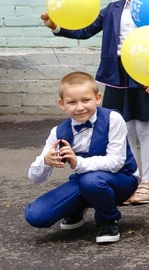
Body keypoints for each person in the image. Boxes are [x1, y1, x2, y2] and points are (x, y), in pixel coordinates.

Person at [41, 0, 149, 205]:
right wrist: (57, 27)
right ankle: (133, 177)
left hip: (145, 71)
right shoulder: (112, 9)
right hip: (116, 74)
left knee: (143, 127)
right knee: (124, 126)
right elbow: (86, 30)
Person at [24, 71, 139, 244]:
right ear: (61, 104)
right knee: (36, 216)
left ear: (98, 98)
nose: (79, 107)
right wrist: (46, 162)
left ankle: (108, 220)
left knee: (91, 181)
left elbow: (116, 162)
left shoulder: (113, 118)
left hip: (122, 180)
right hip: (86, 181)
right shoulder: (58, 132)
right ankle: (76, 210)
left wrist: (78, 162)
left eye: (86, 100)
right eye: (72, 102)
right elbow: (34, 178)